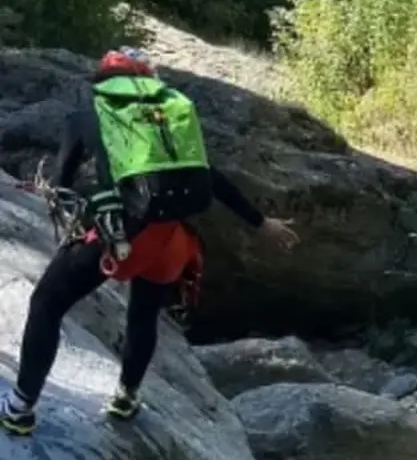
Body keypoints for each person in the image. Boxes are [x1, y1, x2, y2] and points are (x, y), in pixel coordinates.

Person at [0, 47, 299, 436]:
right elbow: (210, 176)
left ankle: (21, 407)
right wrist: (262, 224)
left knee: (47, 303)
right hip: (170, 242)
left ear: (103, 82)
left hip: (116, 236)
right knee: (143, 314)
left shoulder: (87, 116)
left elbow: (62, 184)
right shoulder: (169, 122)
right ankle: (126, 396)